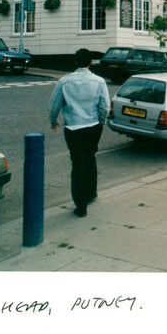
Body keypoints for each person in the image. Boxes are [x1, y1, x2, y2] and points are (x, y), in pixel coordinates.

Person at [48, 48, 111, 218]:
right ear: (91, 62)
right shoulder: (99, 81)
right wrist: (101, 121)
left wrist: (53, 121)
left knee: (77, 164)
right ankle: (91, 193)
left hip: (73, 127)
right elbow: (105, 106)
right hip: (93, 126)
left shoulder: (64, 81)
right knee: (90, 157)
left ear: (76, 62)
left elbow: (54, 105)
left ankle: (80, 205)